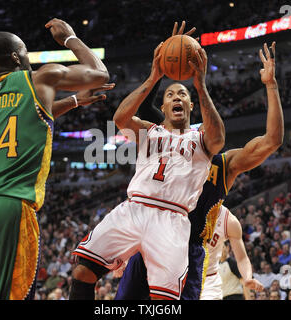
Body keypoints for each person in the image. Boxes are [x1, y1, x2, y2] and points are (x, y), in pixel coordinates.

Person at [115, 40, 283, 300]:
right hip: (148, 245)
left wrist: (271, 85)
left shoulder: (224, 164)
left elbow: (272, 140)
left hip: (187, 252)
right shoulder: (164, 146)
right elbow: (131, 120)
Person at [69, 22, 225, 301]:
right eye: (170, 94)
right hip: (134, 209)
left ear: (190, 106)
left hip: (172, 220)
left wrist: (200, 85)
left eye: (183, 95)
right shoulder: (148, 131)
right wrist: (155, 76)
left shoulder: (201, 138)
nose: (177, 96)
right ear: (163, 107)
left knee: (163, 301)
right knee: (83, 272)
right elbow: (120, 119)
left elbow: (219, 138)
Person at [0, 18, 113, 300]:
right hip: (5, 206)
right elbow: (99, 73)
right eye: (25, 52)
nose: (28, 57)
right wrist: (69, 38)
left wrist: (73, 101)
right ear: (15, 57)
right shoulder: (39, 77)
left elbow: (29, 117)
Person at [200, 206, 264, 300]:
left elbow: (242, 258)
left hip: (210, 280)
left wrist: (247, 277)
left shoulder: (229, 221)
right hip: (183, 274)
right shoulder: (187, 206)